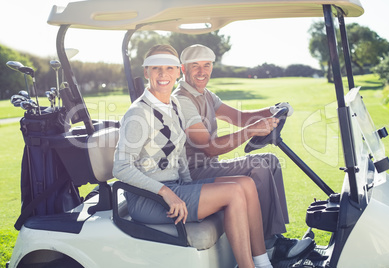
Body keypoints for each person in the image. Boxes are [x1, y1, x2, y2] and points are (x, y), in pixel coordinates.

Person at [113, 44, 273, 268]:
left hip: (175, 187)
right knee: (235, 191)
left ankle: (263, 261)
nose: (163, 74)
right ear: (146, 73)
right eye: (156, 68)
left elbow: (178, 153)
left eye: (169, 68)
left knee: (246, 184)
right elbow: (120, 168)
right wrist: (167, 193)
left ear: (178, 72)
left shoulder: (174, 105)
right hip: (149, 198)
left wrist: (189, 187)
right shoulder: (139, 112)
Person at [172, 44, 315, 263]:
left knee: (269, 161)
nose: (202, 72)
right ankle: (269, 246)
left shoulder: (206, 95)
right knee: (261, 165)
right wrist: (251, 131)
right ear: (183, 69)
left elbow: (238, 117)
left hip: (208, 167)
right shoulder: (182, 99)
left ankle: (273, 239)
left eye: (207, 65)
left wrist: (272, 110)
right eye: (195, 66)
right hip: (193, 174)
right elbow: (209, 147)